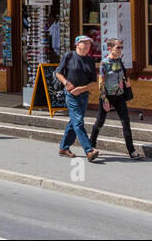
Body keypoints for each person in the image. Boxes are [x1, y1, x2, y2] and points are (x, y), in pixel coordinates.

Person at [89, 38, 139, 159]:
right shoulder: (104, 63)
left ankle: (131, 150)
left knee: (125, 122)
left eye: (121, 47)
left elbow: (123, 76)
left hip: (120, 95)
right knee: (100, 121)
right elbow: (101, 83)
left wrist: (127, 83)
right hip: (107, 96)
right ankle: (91, 146)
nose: (120, 49)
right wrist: (105, 99)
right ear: (110, 48)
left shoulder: (120, 61)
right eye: (118, 47)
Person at [57, 34, 100, 162]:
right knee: (78, 122)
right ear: (77, 44)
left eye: (89, 44)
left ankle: (63, 148)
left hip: (83, 95)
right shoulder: (69, 56)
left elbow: (94, 82)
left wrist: (82, 89)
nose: (87, 46)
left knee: (74, 122)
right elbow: (58, 73)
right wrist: (66, 83)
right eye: (84, 43)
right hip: (71, 95)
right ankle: (89, 150)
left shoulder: (90, 61)